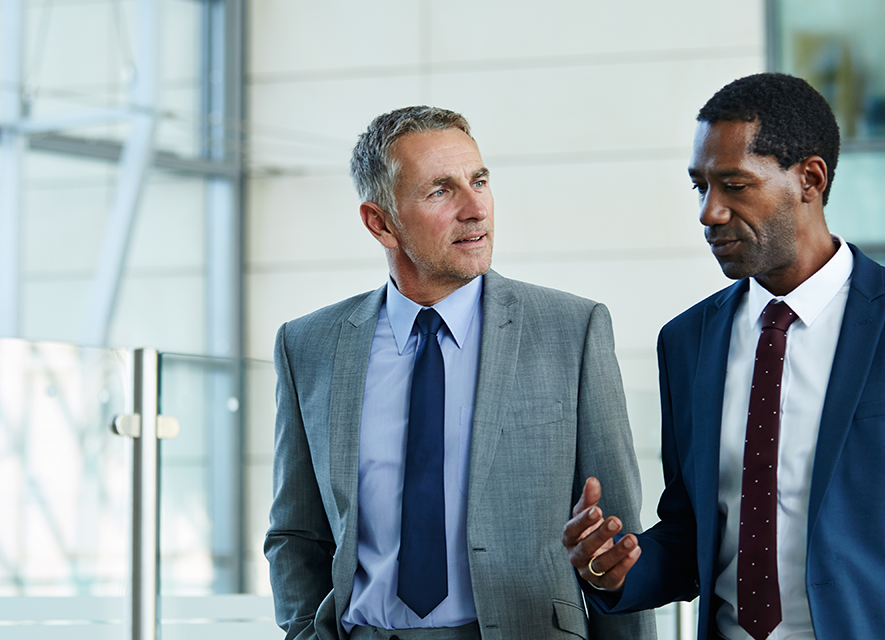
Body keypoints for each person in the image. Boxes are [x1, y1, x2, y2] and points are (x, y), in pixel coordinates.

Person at [562, 73, 885, 640]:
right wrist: (617, 571)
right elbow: (692, 534)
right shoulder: (686, 342)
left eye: (734, 185)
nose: (710, 212)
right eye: (700, 187)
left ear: (810, 178)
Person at [265, 106, 656, 640]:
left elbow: (616, 540)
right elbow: (296, 531)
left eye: (479, 181)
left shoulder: (572, 330)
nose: (476, 209)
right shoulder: (308, 345)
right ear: (379, 222)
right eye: (440, 191)